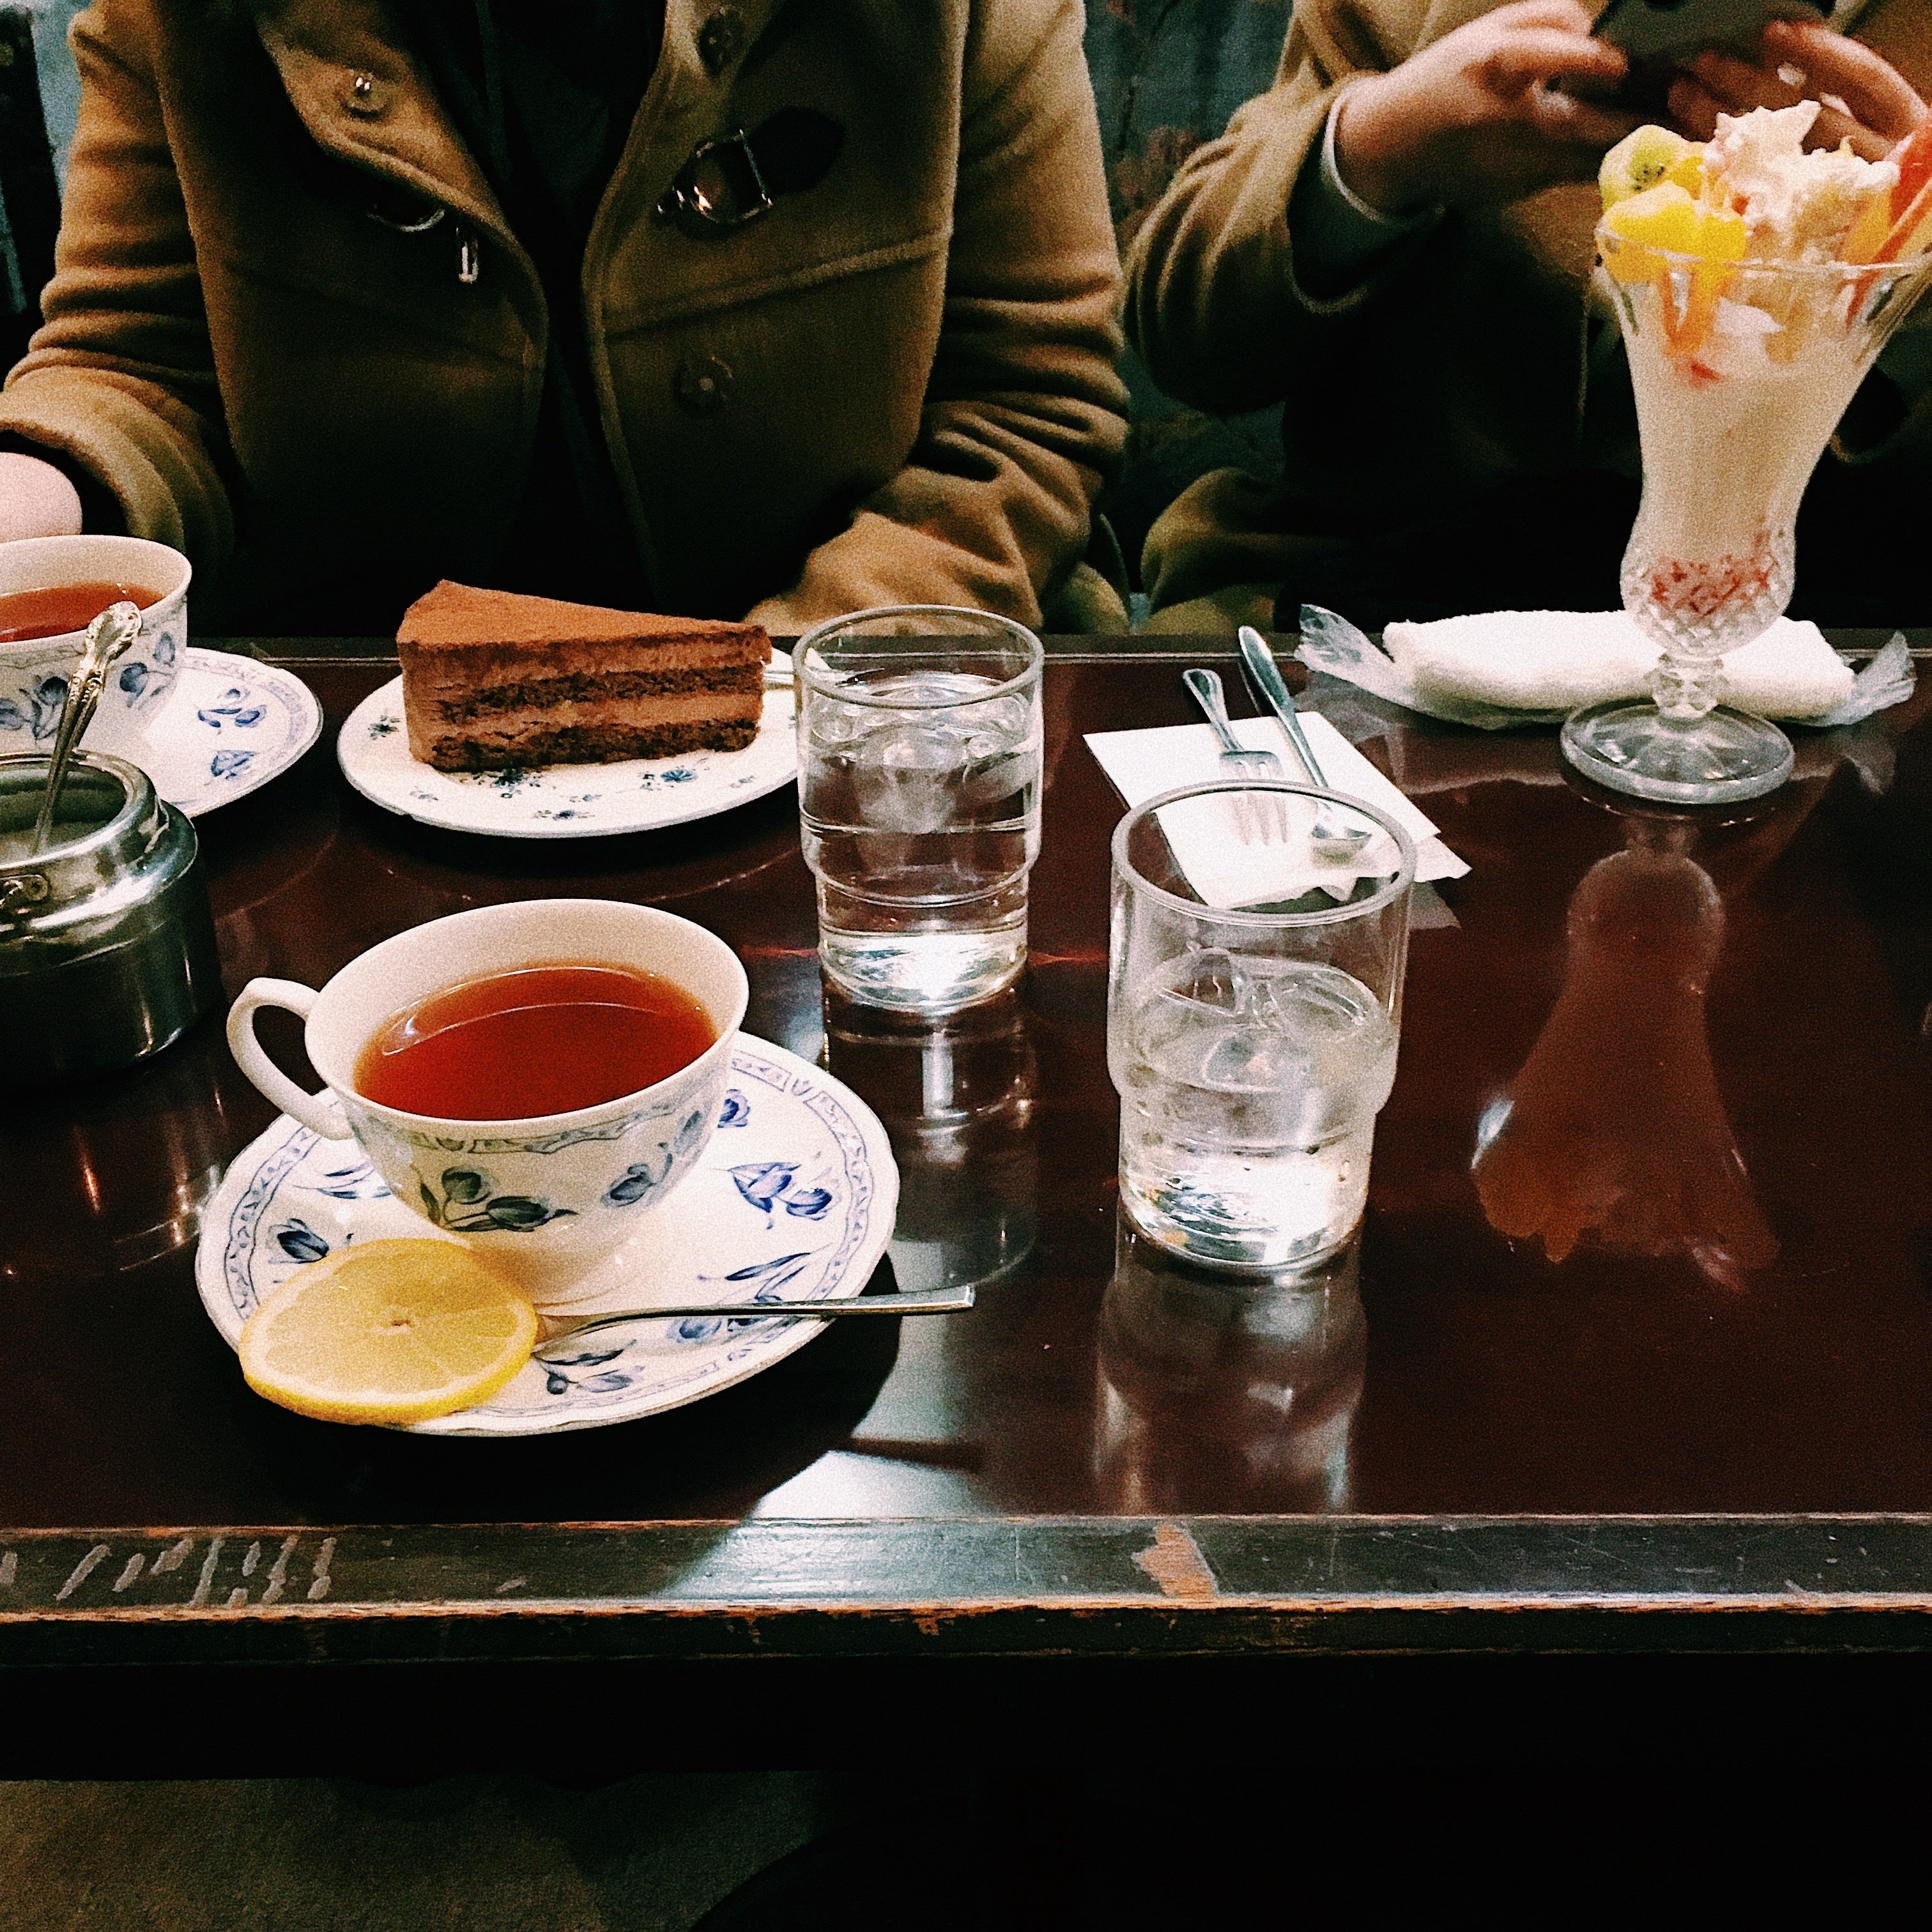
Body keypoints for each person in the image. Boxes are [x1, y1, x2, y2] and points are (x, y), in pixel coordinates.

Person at [0, 0, 1130, 636]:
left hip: (848, 717)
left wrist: (789, 681)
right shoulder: (179, 20)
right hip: (356, 736)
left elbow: (1026, 412)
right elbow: (138, 367)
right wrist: (44, 491)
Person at [1124, 0, 1932, 632]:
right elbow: (1182, 341)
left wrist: (1910, 261)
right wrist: (1376, 151)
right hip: (1358, 594)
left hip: (1834, 628)